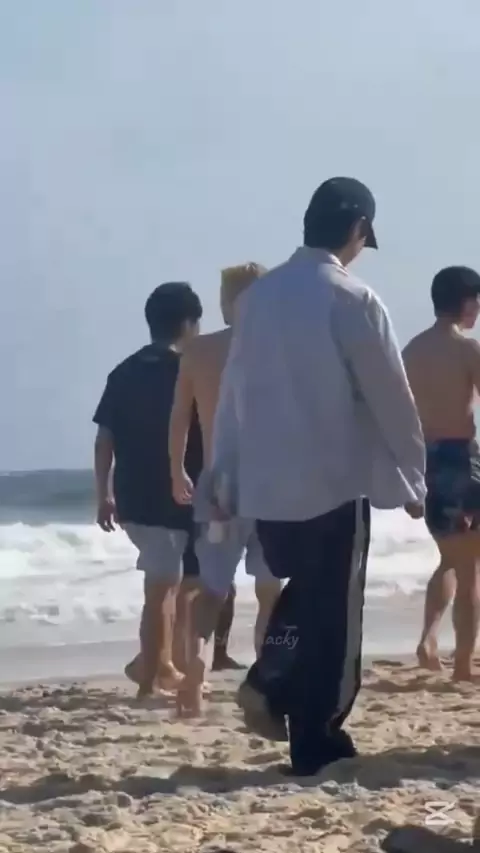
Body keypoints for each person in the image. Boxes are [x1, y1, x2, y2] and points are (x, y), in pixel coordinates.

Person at [207, 177, 426, 776]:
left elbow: (233, 396)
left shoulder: (258, 299)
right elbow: (389, 394)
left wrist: (224, 473)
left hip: (267, 483)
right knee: (335, 616)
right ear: (359, 230)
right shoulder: (351, 297)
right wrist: (413, 475)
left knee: (307, 594)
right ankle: (314, 736)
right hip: (332, 480)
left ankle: (270, 681)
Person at [169, 264, 282, 713]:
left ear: (224, 301)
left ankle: (195, 673)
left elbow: (179, 418)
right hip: (269, 481)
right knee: (270, 588)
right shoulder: (279, 347)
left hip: (219, 482)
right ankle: (266, 680)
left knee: (212, 587)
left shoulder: (198, 351)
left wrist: (176, 470)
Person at [93, 282, 203, 699]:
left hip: (133, 495)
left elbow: (105, 439)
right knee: (163, 587)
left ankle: (157, 663)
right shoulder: (188, 370)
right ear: (189, 324)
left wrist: (103, 494)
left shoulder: (123, 372)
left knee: (174, 583)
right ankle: (147, 681)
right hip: (174, 494)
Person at [403, 266, 480, 681]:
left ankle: (429, 638)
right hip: (461, 461)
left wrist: (406, 479)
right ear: (466, 302)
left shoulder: (411, 352)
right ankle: (464, 664)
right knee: (470, 570)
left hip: (425, 462)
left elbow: (400, 419)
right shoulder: (467, 349)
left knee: (450, 557)